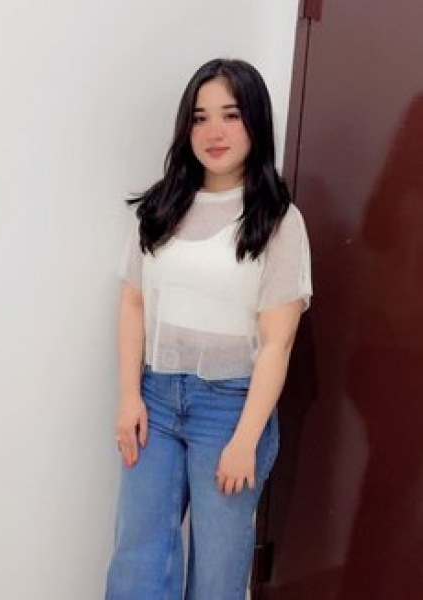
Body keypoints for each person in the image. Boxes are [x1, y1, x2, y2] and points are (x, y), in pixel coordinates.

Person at [105, 58, 312, 600]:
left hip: (231, 410)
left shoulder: (277, 219)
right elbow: (133, 302)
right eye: (200, 117)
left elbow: (278, 343)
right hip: (155, 399)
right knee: (137, 562)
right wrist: (128, 396)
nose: (213, 131)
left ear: (255, 123)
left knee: (217, 575)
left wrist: (246, 440)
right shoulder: (161, 207)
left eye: (230, 115)